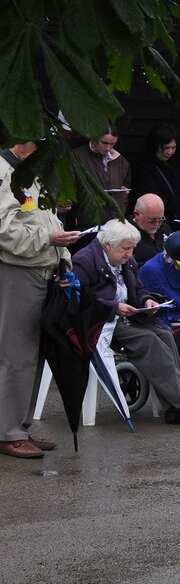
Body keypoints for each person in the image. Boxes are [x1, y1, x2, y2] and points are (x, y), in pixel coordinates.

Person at [72, 219, 180, 423]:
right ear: (107, 245)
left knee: (165, 333)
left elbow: (138, 290)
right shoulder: (84, 260)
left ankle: (175, 408)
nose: (130, 254)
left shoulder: (126, 260)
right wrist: (114, 307)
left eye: (132, 248)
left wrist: (147, 301)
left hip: (126, 318)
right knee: (147, 339)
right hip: (97, 322)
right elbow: (78, 299)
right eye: (125, 249)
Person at [1, 153, 83, 457]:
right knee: (15, 353)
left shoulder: (33, 170)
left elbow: (45, 217)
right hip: (17, 269)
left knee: (34, 353)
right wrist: (49, 239)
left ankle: (18, 426)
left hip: (41, 269)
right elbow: (4, 230)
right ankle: (7, 432)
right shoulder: (3, 169)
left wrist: (63, 262)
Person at [128, 124, 180, 223]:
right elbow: (151, 197)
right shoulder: (143, 168)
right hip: (161, 220)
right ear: (155, 146)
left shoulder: (178, 165)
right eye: (166, 148)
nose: (169, 152)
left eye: (173, 148)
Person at [70, 127, 130, 220]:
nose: (108, 148)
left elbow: (126, 184)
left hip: (114, 220)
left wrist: (123, 196)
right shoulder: (76, 156)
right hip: (86, 220)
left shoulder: (121, 161)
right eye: (104, 143)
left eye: (112, 144)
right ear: (94, 138)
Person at [130, 193, 169, 264]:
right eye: (152, 220)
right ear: (137, 214)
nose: (157, 225)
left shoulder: (165, 228)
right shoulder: (127, 234)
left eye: (160, 220)